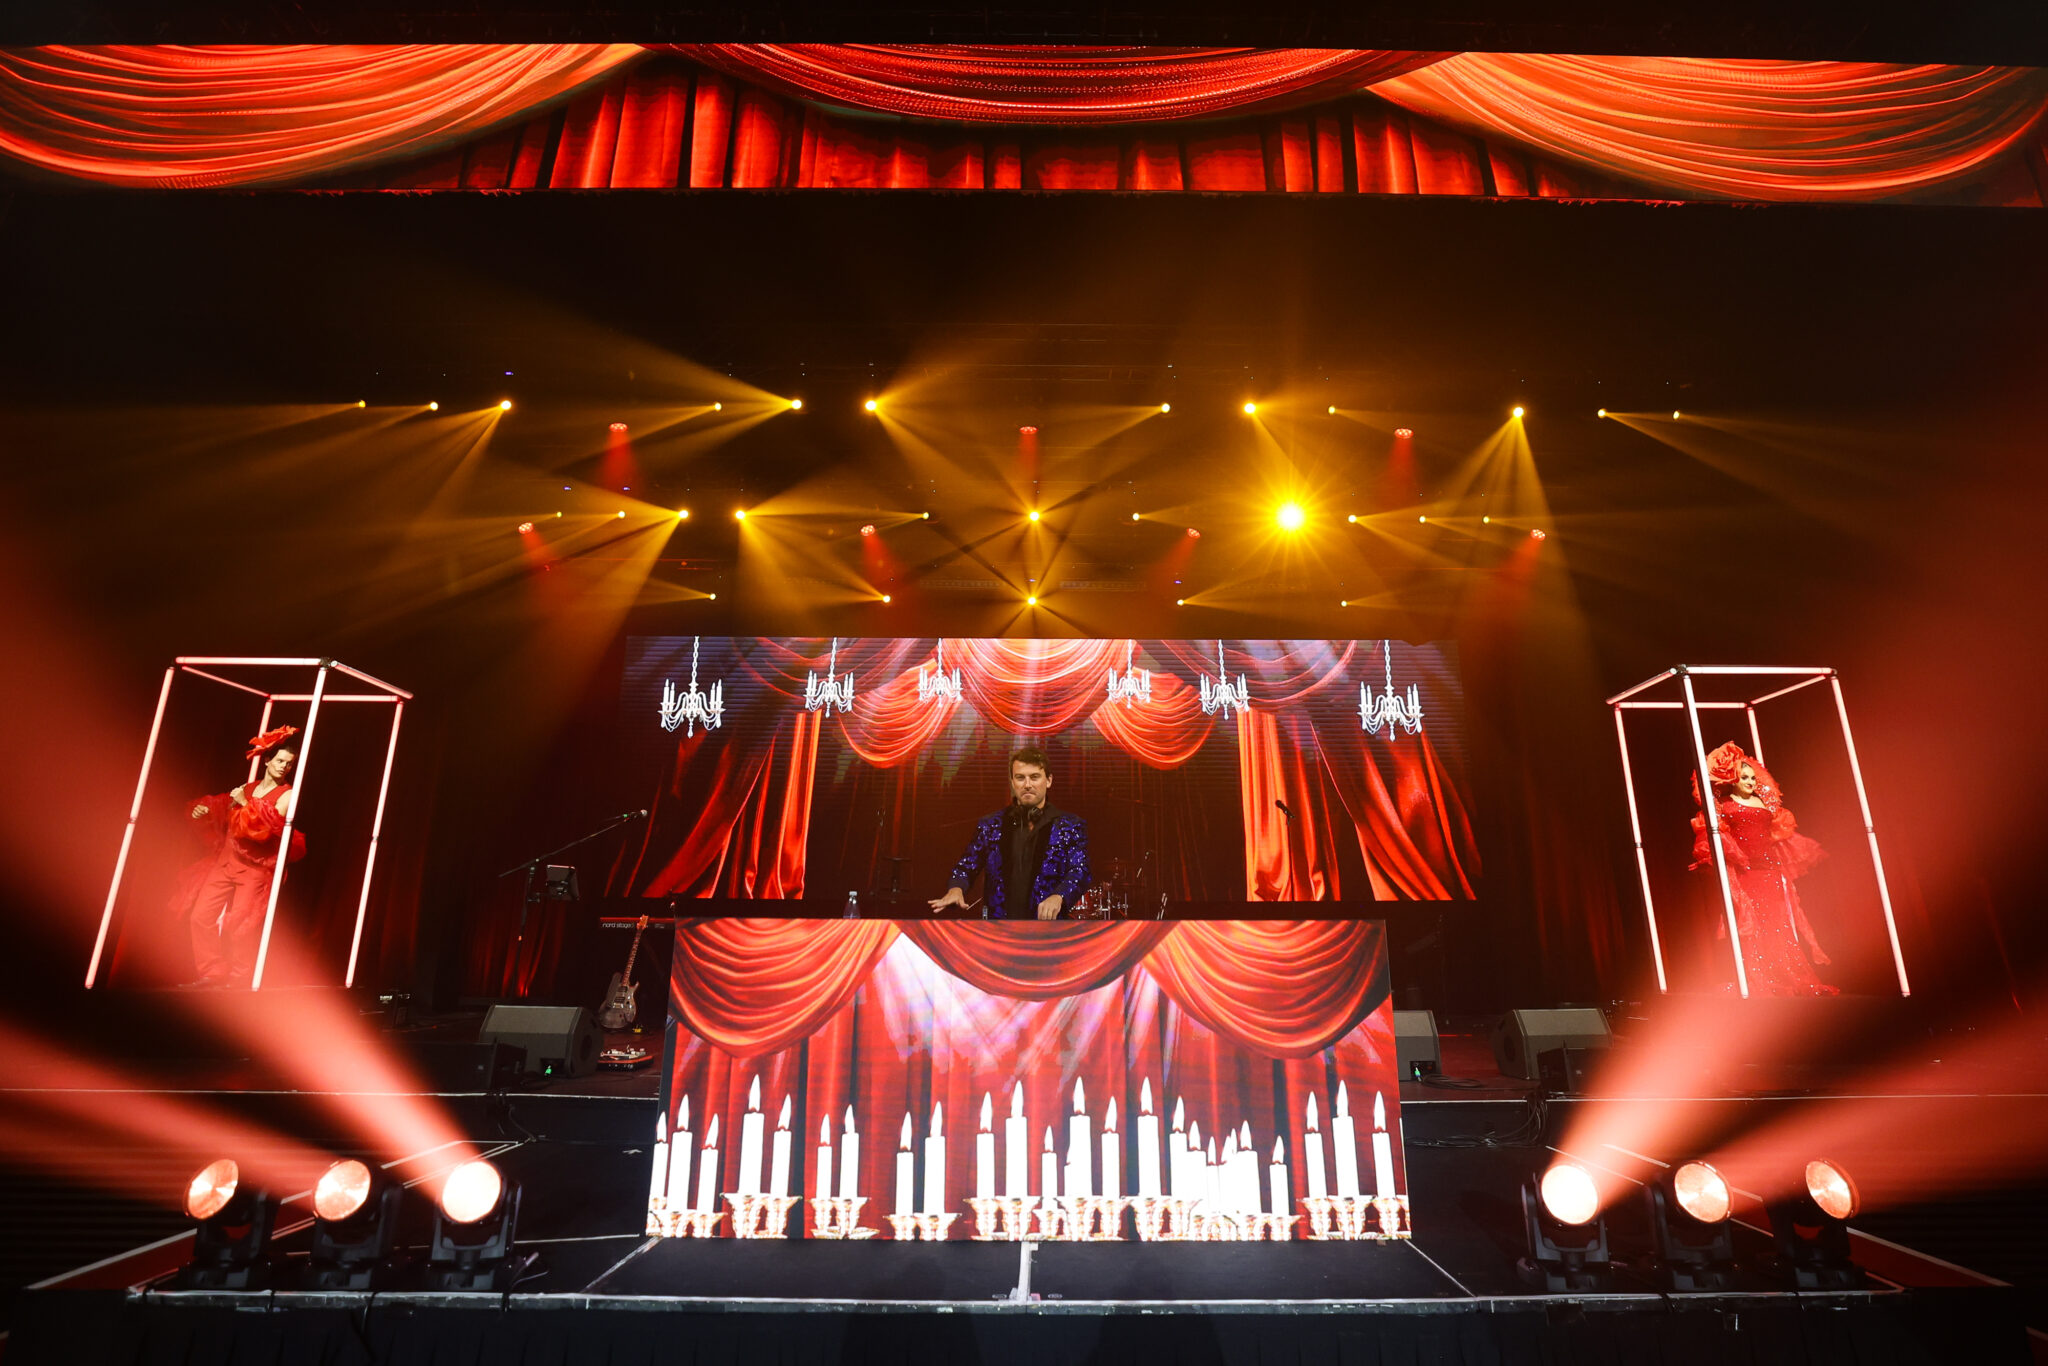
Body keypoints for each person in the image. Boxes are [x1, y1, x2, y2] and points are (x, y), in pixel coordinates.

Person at [1688, 741, 1835, 996]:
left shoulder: (1765, 805)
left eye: (1752, 778)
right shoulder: (1725, 807)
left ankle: (1788, 974)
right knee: (1751, 926)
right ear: (1733, 778)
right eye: (1744, 777)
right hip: (1747, 874)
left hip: (1772, 872)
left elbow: (1778, 833)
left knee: (1779, 925)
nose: (1750, 782)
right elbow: (1716, 836)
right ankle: (1758, 978)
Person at [179, 725, 308, 987]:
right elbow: (223, 804)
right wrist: (205, 808)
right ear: (268, 761)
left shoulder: (287, 795)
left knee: (240, 926)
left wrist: (244, 803)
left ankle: (238, 977)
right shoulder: (248, 788)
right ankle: (212, 970)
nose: (284, 767)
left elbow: (259, 828)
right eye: (280, 761)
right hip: (227, 862)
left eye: (289, 764)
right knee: (200, 916)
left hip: (254, 868)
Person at [928, 746, 1089, 921]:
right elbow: (966, 867)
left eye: (1034, 777)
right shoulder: (991, 825)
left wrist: (1059, 897)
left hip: (1048, 931)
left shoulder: (1070, 825)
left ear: (1049, 780)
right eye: (1020, 778)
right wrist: (956, 889)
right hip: (999, 931)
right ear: (1012, 782)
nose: (1027, 784)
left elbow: (1080, 871)